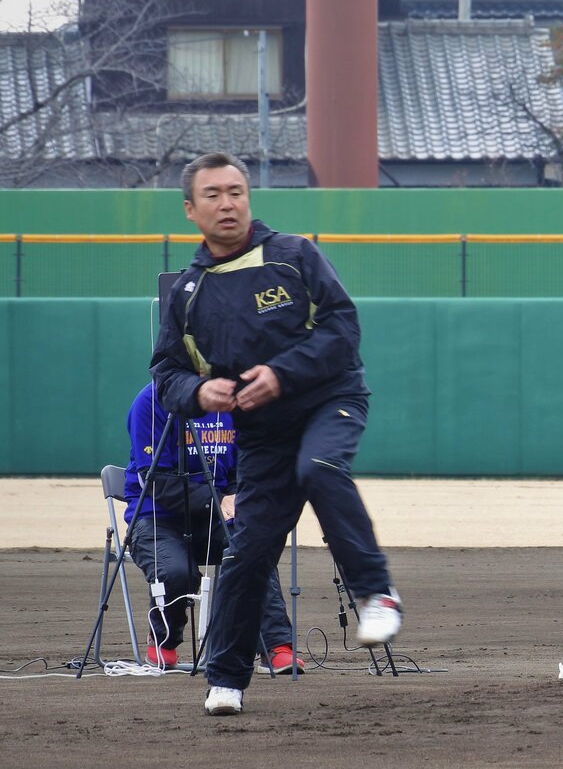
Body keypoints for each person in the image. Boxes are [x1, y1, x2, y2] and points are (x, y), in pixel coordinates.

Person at [151, 152, 403, 716]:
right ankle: (227, 679)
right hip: (262, 436)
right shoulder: (188, 295)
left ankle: (376, 594)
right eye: (213, 194)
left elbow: (343, 327)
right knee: (248, 554)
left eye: (236, 191)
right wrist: (197, 393)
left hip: (329, 401)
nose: (227, 202)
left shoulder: (293, 255)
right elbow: (165, 373)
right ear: (191, 210)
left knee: (320, 469)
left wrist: (281, 373)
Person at [123, 382, 304, 675]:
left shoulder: (232, 401)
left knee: (254, 547)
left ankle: (276, 645)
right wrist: (216, 500)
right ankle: (164, 638)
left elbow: (242, 467)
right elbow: (154, 479)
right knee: (178, 573)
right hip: (156, 517)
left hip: (218, 516)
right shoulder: (149, 401)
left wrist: (241, 495)